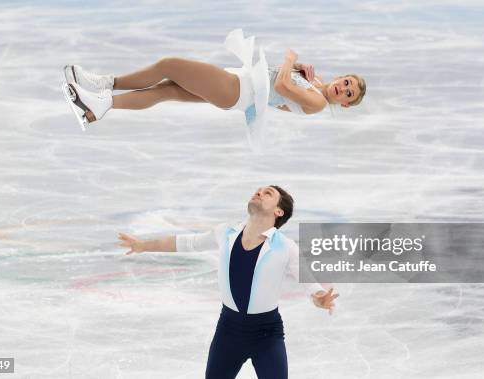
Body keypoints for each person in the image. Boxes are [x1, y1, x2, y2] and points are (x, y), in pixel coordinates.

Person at [118, 185, 338, 379]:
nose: (259, 192)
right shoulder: (225, 233)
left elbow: (312, 286)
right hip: (228, 331)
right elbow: (185, 243)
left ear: (279, 211)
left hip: (267, 335)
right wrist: (143, 245)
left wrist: (321, 300)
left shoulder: (286, 247)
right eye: (258, 190)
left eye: (267, 193)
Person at [62, 29, 366, 145]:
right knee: (167, 89)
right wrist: (299, 68)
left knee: (169, 65)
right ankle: (98, 108)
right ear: (342, 77)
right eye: (347, 82)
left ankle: (105, 85)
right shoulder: (316, 84)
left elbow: (283, 87)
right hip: (236, 87)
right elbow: (284, 81)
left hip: (237, 89)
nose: (344, 88)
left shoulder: (319, 103)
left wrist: (290, 59)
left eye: (349, 93)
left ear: (346, 105)